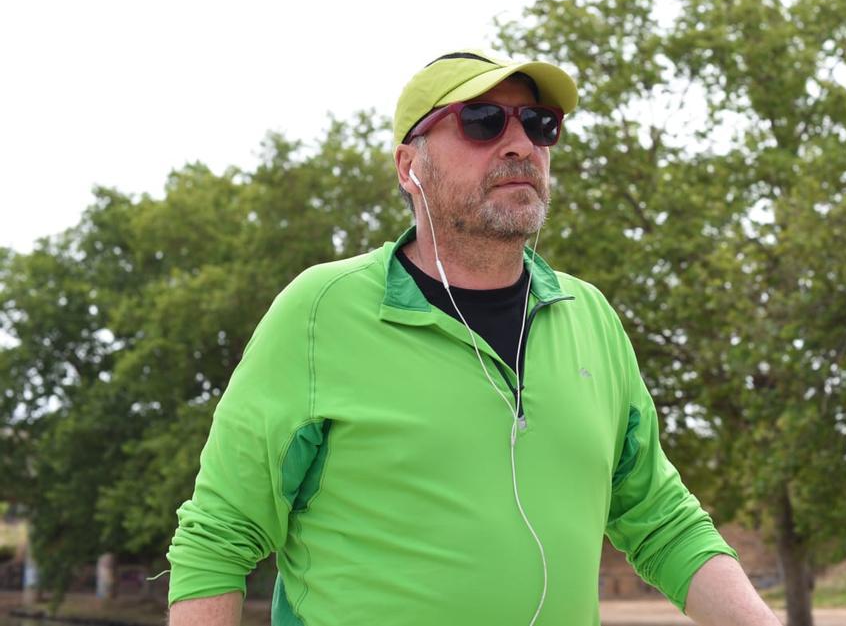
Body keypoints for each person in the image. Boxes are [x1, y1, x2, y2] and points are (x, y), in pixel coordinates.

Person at [165, 49, 780, 625]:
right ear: (411, 166)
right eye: (483, 121)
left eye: (539, 123)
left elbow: (662, 523)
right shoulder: (320, 311)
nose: (520, 144)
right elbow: (219, 535)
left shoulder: (590, 315)